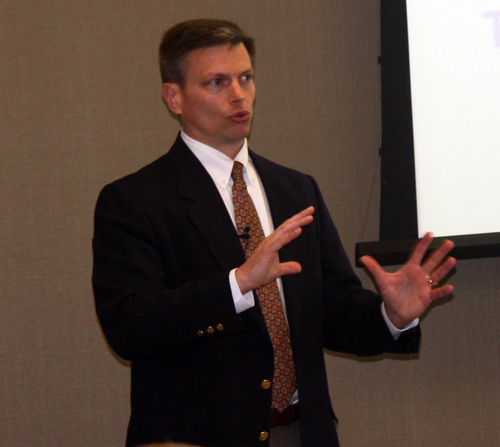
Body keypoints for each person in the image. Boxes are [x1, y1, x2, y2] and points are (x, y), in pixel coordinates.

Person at [92, 19, 456, 447]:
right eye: (216, 82)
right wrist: (237, 284)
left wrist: (390, 316)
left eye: (245, 77)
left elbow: (332, 311)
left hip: (304, 431)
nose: (238, 94)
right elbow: (129, 327)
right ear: (174, 97)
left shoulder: (295, 189)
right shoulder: (135, 200)